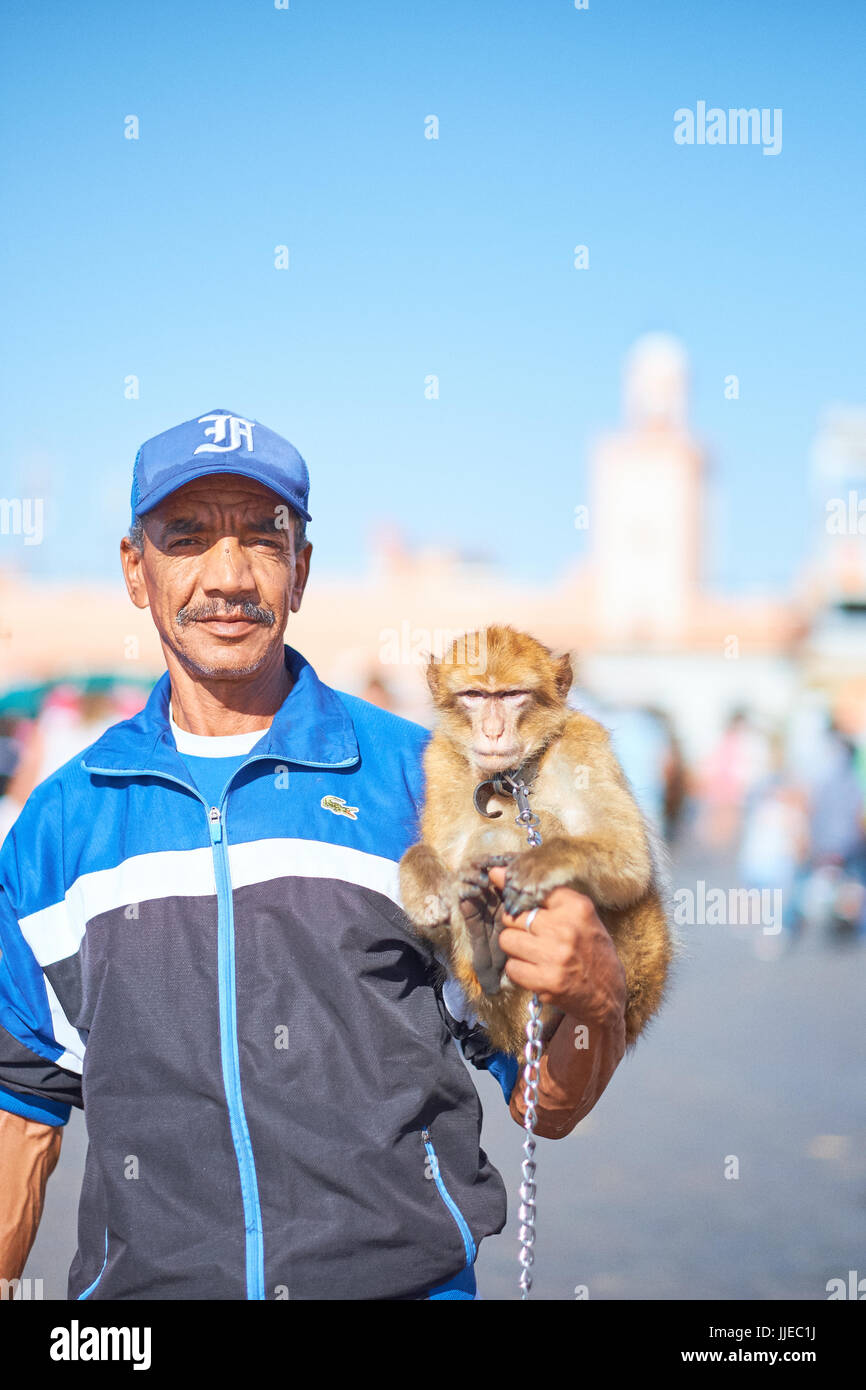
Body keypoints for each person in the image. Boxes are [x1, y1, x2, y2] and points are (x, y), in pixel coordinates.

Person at [0, 408, 628, 1301]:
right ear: (136, 572)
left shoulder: (427, 792)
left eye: (263, 539)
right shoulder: (61, 828)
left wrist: (596, 1003)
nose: (228, 576)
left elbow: (543, 1099)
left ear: (301, 569)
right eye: (187, 538)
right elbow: (20, 1109)